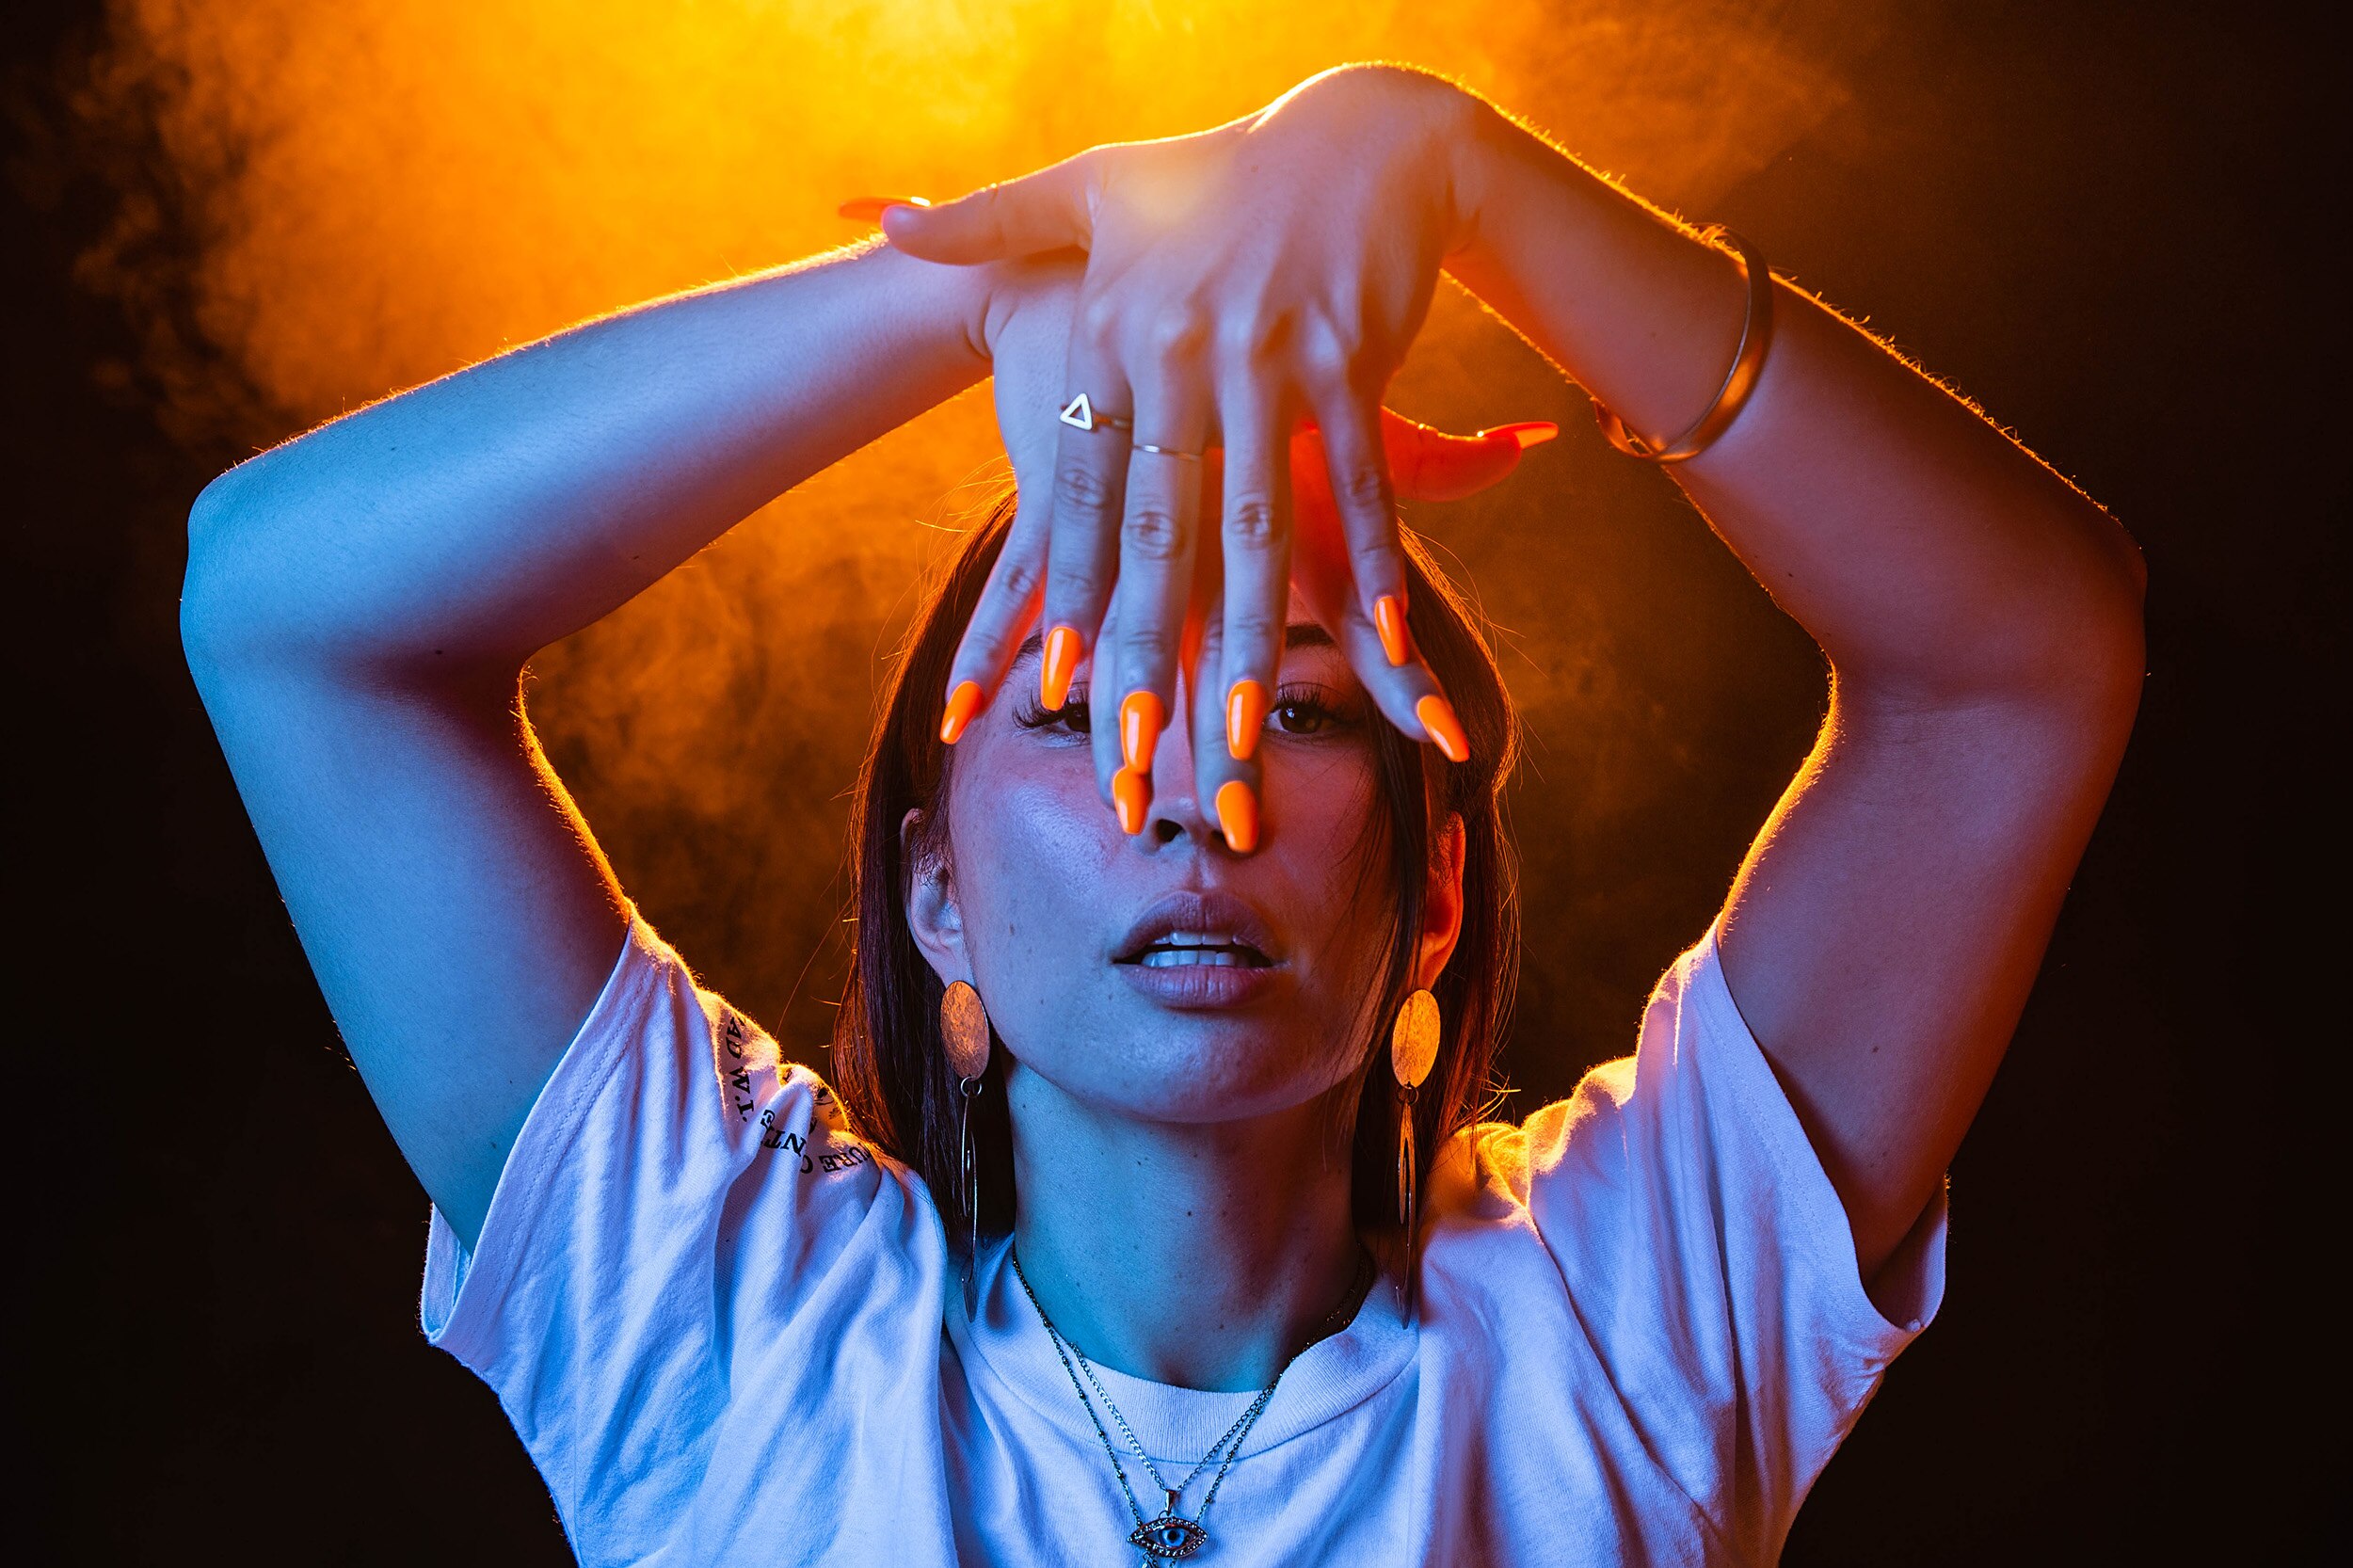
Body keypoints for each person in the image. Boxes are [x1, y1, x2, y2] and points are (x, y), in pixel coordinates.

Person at [180, 64, 2145, 1567]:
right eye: (1070, 701)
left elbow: (2020, 656)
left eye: (1294, 704)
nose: (1186, 783)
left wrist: (1457, 173)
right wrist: (983, 302)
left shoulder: (1621, 1326)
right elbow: (284, 604)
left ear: (1433, 881)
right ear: (936, 887)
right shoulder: (729, 1329)